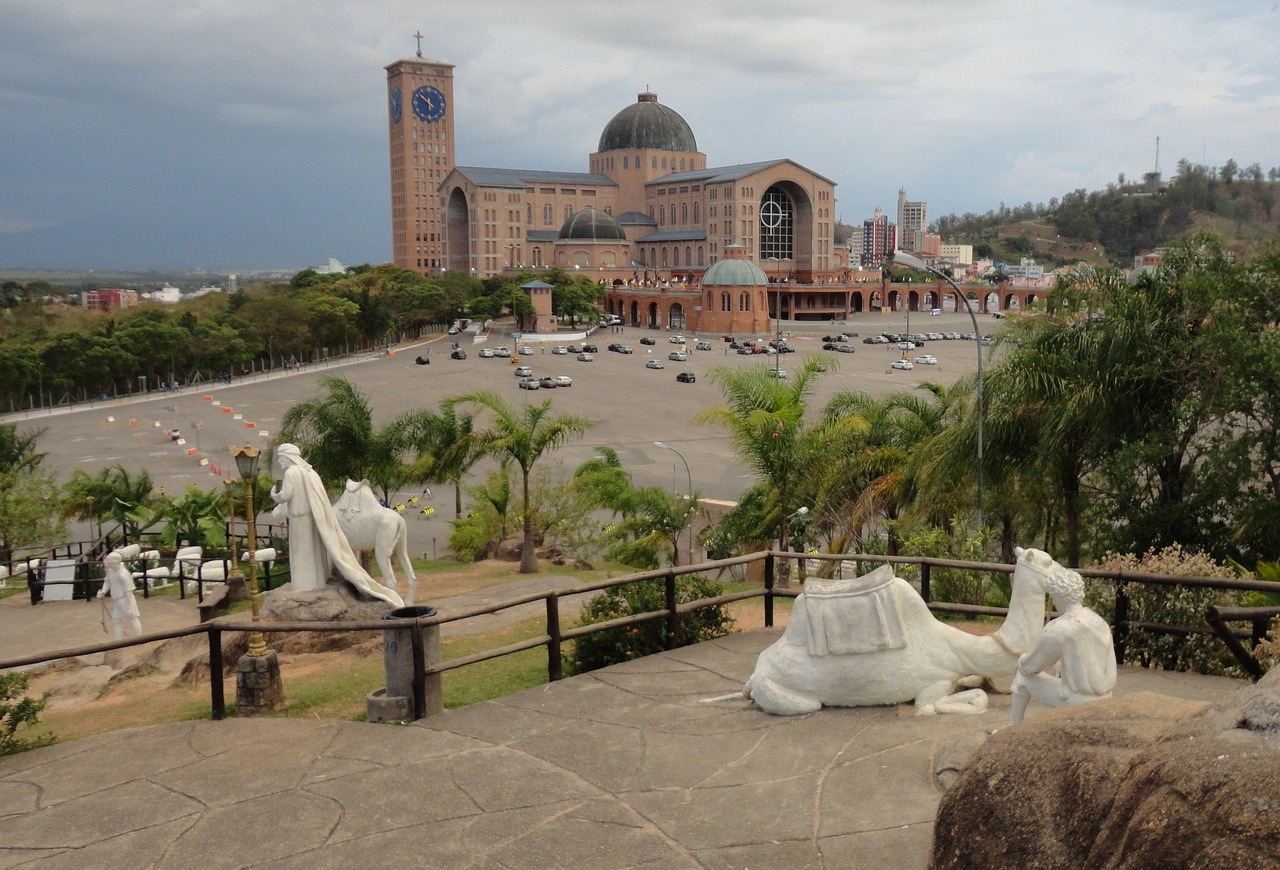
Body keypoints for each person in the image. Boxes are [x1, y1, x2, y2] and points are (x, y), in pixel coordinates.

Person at [270, 443, 403, 605]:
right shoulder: (310, 473)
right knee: (313, 552)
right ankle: (315, 581)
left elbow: (285, 495)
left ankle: (304, 585)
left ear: (287, 457)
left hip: (299, 520)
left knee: (302, 552)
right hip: (312, 519)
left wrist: (275, 495)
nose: (279, 462)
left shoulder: (292, 472)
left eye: (280, 458)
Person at [1009, 564, 1116, 724]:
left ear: (1056, 595)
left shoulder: (1058, 628)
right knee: (1059, 670)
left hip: (1078, 699)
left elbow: (1030, 666)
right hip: (1106, 696)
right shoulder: (1099, 621)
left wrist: (1021, 658)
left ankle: (1013, 729)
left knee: (1022, 677)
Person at [98, 552, 142, 640]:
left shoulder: (123, 574)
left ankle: (140, 639)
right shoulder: (111, 571)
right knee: (116, 620)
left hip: (126, 599)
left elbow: (128, 591)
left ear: (114, 562)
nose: (107, 563)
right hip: (117, 600)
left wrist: (129, 606)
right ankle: (118, 641)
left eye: (109, 561)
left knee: (133, 617)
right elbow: (107, 581)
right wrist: (103, 591)